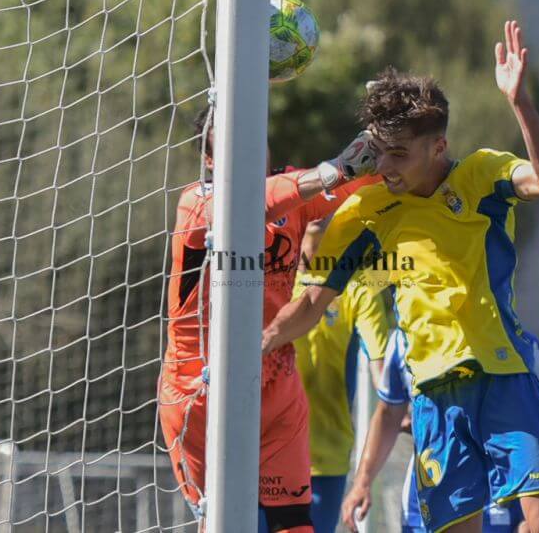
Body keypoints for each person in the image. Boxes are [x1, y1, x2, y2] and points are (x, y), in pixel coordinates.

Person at [262, 20, 539, 533]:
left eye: (399, 154)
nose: (384, 165)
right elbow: (314, 301)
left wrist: (520, 104)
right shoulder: (365, 208)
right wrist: (262, 342)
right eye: (380, 150)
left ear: (437, 146)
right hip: (431, 394)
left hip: (504, 375)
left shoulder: (479, 175)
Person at [158, 105, 381, 532]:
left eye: (253, 137)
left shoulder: (292, 199)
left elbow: (361, 178)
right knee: (227, 524)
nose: (246, 148)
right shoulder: (196, 206)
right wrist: (334, 170)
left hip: (276, 384)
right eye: (229, 141)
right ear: (209, 159)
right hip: (200, 389)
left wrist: (386, 135)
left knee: (296, 525)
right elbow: (249, 206)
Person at [341, 331, 525, 533]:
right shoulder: (402, 339)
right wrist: (363, 480)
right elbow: (388, 414)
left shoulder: (510, 336)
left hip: (494, 486)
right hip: (428, 479)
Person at [290, 219, 394, 533]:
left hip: (325, 456)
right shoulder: (273, 282)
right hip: (264, 451)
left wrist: (399, 403)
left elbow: (383, 375)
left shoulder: (358, 287)